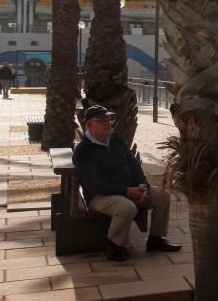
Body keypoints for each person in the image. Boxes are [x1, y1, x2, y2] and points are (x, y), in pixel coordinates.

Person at [72, 105, 181, 261]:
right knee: (126, 207)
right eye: (101, 121)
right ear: (89, 125)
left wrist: (143, 187)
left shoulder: (116, 139)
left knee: (162, 195)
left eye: (109, 119)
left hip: (130, 190)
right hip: (100, 196)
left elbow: (133, 164)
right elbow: (93, 185)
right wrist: (127, 191)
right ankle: (114, 245)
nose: (107, 123)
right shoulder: (83, 151)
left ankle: (156, 239)